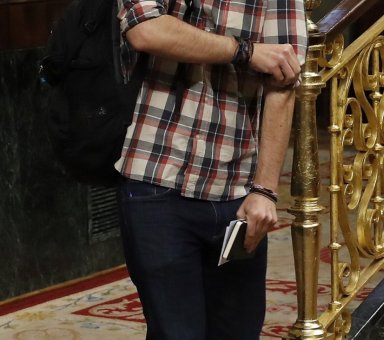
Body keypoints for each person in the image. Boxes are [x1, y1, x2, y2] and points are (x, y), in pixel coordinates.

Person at [113, 0, 307, 338]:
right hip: (155, 179)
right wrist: (244, 51)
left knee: (237, 332)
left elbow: (283, 75)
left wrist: (265, 189)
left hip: (239, 194)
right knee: (174, 332)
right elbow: (146, 29)